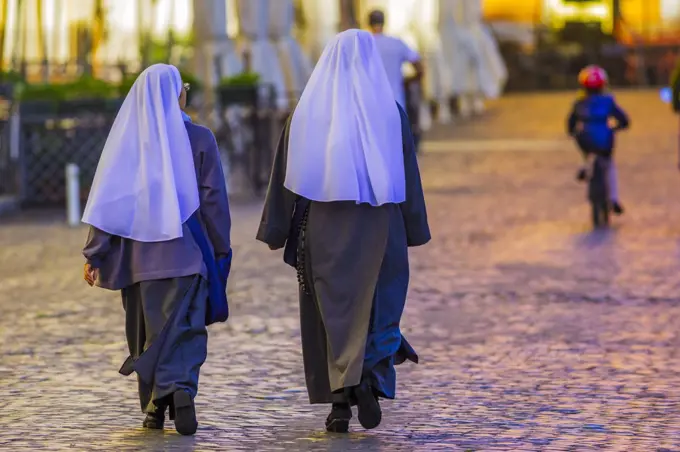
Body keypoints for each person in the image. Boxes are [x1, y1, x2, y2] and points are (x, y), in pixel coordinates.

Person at [256, 29, 431, 433]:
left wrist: (275, 229)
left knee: (329, 314)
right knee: (379, 308)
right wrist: (414, 228)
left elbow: (284, 175)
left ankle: (338, 404)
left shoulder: (305, 113)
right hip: (381, 226)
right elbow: (408, 174)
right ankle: (368, 376)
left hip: (323, 229)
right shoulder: (390, 112)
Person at [81, 64, 231, 436]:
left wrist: (95, 252)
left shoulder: (128, 145)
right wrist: (220, 247)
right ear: (176, 94)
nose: (186, 94)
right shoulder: (199, 138)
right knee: (184, 328)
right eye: (185, 88)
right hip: (187, 255)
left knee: (145, 333)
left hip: (137, 262)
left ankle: (153, 409)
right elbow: (213, 200)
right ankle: (179, 392)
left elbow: (109, 203)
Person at [567, 65, 630, 215]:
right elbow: (624, 119)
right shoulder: (608, 100)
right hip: (605, 141)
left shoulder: (579, 102)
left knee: (587, 154)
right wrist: (617, 127)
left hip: (585, 140)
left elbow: (571, 122)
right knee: (609, 166)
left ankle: (585, 166)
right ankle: (614, 199)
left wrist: (572, 132)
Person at [368, 9, 424, 152]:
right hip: (396, 102)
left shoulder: (365, 44)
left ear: (368, 23)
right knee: (396, 150)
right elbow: (420, 68)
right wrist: (408, 81)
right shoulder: (396, 43)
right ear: (384, 22)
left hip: (370, 105)